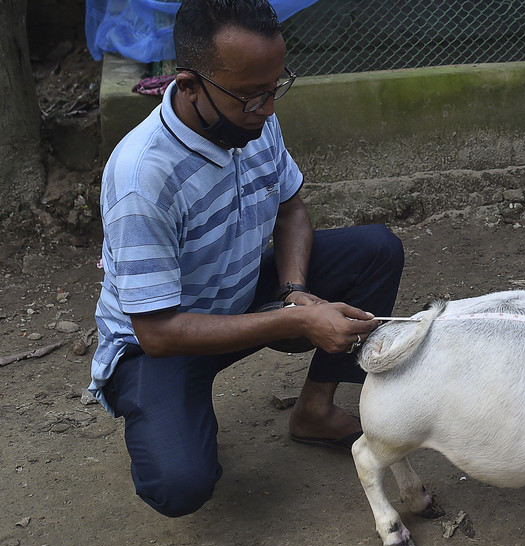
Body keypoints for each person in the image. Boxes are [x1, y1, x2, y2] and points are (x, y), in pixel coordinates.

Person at [88, 0, 404, 517]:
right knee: (180, 484)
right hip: (159, 342)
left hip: (240, 292)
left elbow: (291, 210)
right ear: (189, 85)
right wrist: (296, 321)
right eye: (252, 95)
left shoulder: (248, 118)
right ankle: (169, 416)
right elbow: (158, 332)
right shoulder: (142, 178)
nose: (269, 108)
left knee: (375, 250)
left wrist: (292, 290)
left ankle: (314, 411)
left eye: (275, 87)